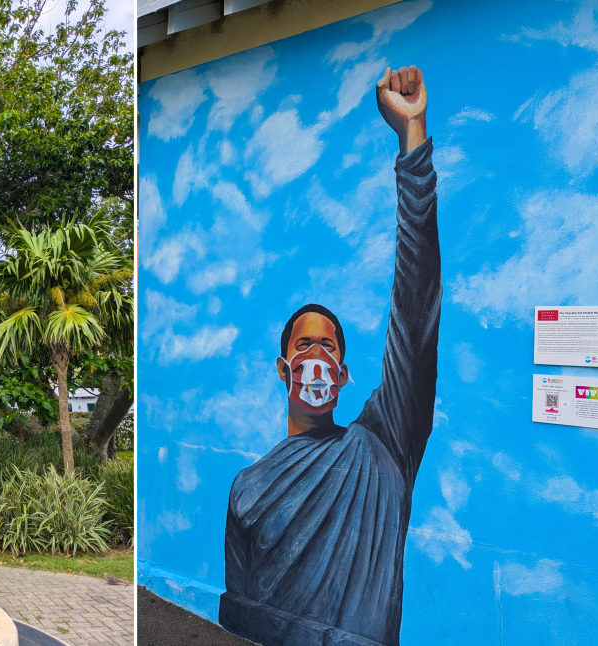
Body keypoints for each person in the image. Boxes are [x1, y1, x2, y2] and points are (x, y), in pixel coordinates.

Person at [219, 65, 441, 646]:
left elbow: (414, 311)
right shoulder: (247, 488)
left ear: (342, 375)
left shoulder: (383, 447)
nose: (316, 357)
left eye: (328, 348)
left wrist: (411, 140)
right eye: (303, 345)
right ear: (283, 368)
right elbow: (239, 621)